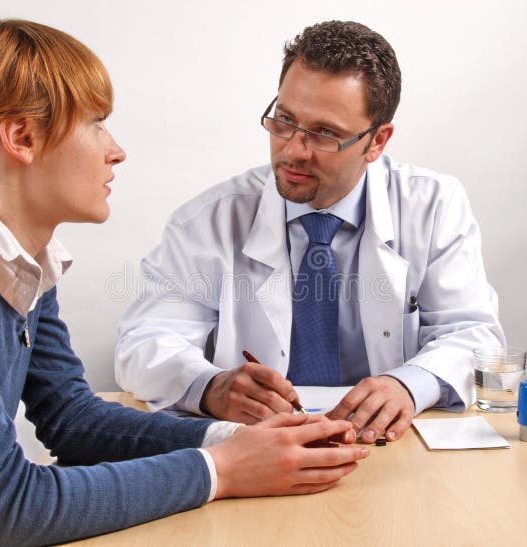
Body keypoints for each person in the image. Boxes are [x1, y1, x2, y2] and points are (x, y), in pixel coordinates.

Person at [0, 15, 370, 547]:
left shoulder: (19, 249)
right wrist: (223, 469)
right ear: (21, 137)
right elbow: (3, 507)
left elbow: (71, 419)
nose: (115, 149)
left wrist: (238, 438)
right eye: (96, 123)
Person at [115, 20, 505, 443]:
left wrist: (409, 384)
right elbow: (143, 342)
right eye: (284, 121)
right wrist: (210, 386)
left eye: (324, 133)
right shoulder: (208, 220)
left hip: (390, 446)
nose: (292, 151)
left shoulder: (432, 205)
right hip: (259, 448)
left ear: (377, 141)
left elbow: (474, 335)